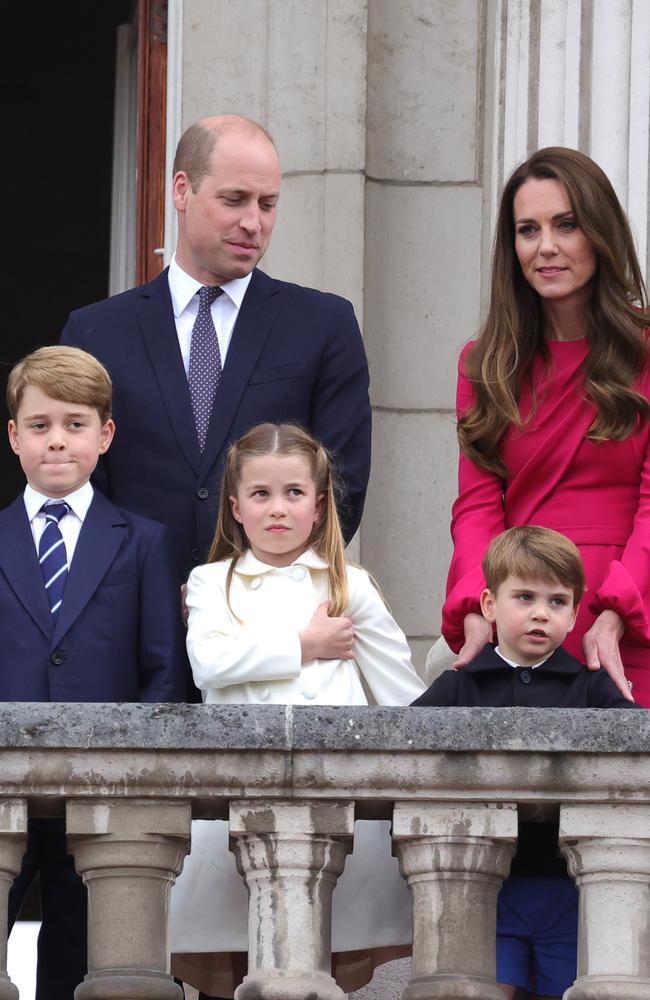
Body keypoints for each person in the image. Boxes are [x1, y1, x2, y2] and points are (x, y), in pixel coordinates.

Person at [60, 113, 371, 612]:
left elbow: (342, 481)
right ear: (182, 190)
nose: (254, 222)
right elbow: (77, 483)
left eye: (268, 204)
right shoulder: (96, 332)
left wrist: (256, 586)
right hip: (131, 625)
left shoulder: (324, 324)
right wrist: (137, 591)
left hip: (272, 625)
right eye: (235, 200)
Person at [169, 422, 425, 998]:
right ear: (235, 507)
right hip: (231, 806)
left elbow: (404, 701)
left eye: (293, 493)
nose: (277, 509)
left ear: (319, 505)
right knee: (238, 966)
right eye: (260, 494)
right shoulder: (211, 583)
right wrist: (305, 646)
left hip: (333, 807)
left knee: (316, 971)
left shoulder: (349, 586)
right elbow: (209, 665)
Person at [2, 346, 185, 1000]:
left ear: (105, 436)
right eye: (42, 424)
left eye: (76, 424)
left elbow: (163, 670)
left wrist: (142, 778)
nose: (58, 440)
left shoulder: (142, 541)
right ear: (14, 434)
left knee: (84, 960)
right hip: (5, 787)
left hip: (104, 790)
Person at [441, 146, 650, 707]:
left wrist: (615, 611)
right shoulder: (483, 364)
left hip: (633, 609)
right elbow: (478, 505)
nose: (546, 247)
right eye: (527, 230)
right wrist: (476, 606)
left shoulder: (647, 352)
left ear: (600, 234)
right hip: (525, 614)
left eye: (566, 225)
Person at [415, 526, 643, 1000]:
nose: (541, 613)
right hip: (485, 886)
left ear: (576, 613)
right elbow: (403, 746)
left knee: (567, 991)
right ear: (489, 605)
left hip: (570, 886)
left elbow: (634, 744)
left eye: (558, 602)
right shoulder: (461, 685)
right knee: (486, 989)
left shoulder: (588, 686)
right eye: (524, 597)